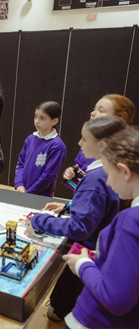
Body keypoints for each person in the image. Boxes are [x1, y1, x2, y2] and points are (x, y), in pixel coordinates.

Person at [25, 116, 127, 321]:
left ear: (103, 144)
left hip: (87, 253)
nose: (79, 143)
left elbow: (80, 226)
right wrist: (70, 205)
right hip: (98, 251)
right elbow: (99, 208)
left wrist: (39, 221)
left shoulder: (96, 177)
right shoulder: (108, 171)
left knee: (58, 310)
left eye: (84, 139)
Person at [63, 127, 139, 329]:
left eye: (108, 171)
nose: (107, 181)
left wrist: (82, 265)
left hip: (96, 321)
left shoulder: (131, 220)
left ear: (124, 171)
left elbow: (116, 298)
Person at [63, 94, 135, 182]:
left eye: (100, 110)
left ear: (119, 118)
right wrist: (73, 172)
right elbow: (79, 165)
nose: (92, 113)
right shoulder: (90, 141)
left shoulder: (124, 154)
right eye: (94, 109)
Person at [14, 101, 66, 197]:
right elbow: (20, 163)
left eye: (42, 118)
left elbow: (48, 176)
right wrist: (19, 184)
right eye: (35, 117)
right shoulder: (30, 139)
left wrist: (30, 193)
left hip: (40, 197)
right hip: (23, 192)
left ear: (54, 121)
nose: (37, 121)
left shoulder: (57, 146)